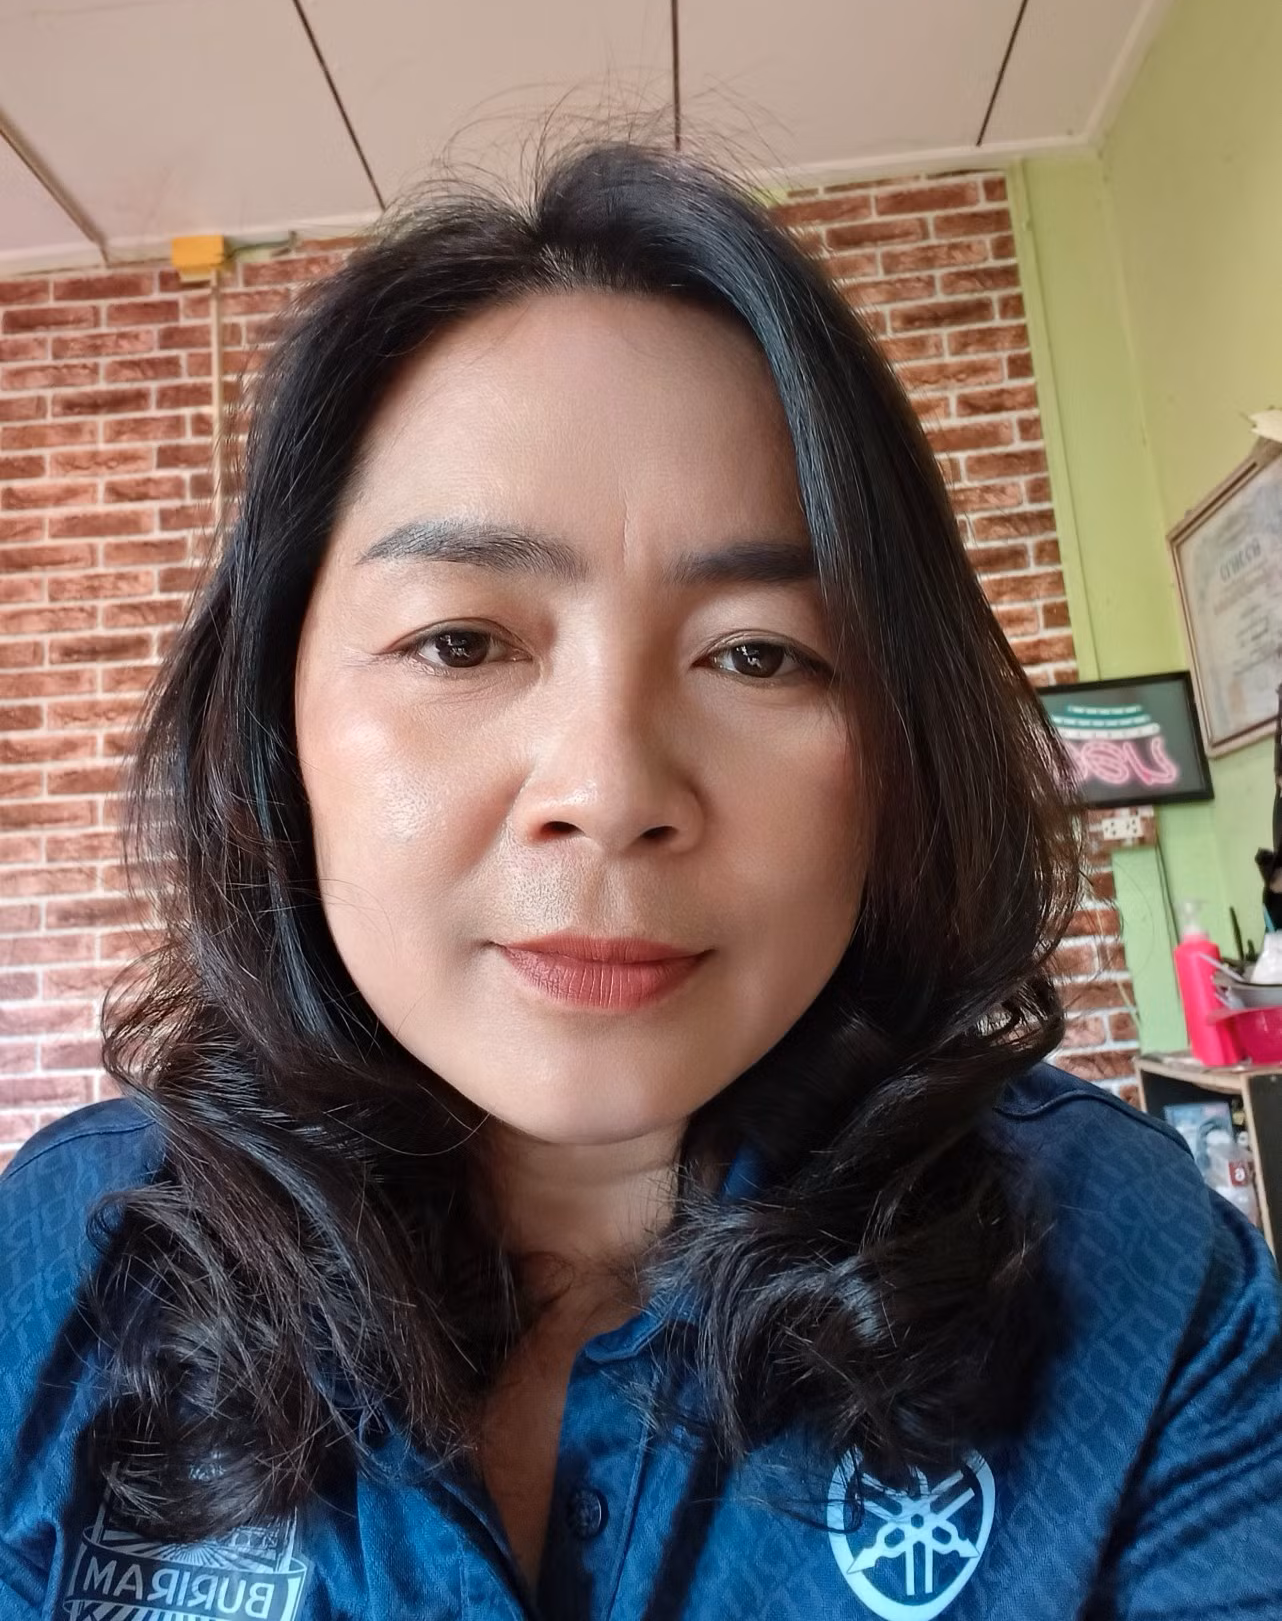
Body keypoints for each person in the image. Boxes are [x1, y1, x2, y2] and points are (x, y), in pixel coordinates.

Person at [2, 138, 1279, 1621]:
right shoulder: (69, 1258)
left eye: (759, 654)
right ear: (276, 721)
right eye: (462, 642)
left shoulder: (1124, 1278)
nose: (608, 794)